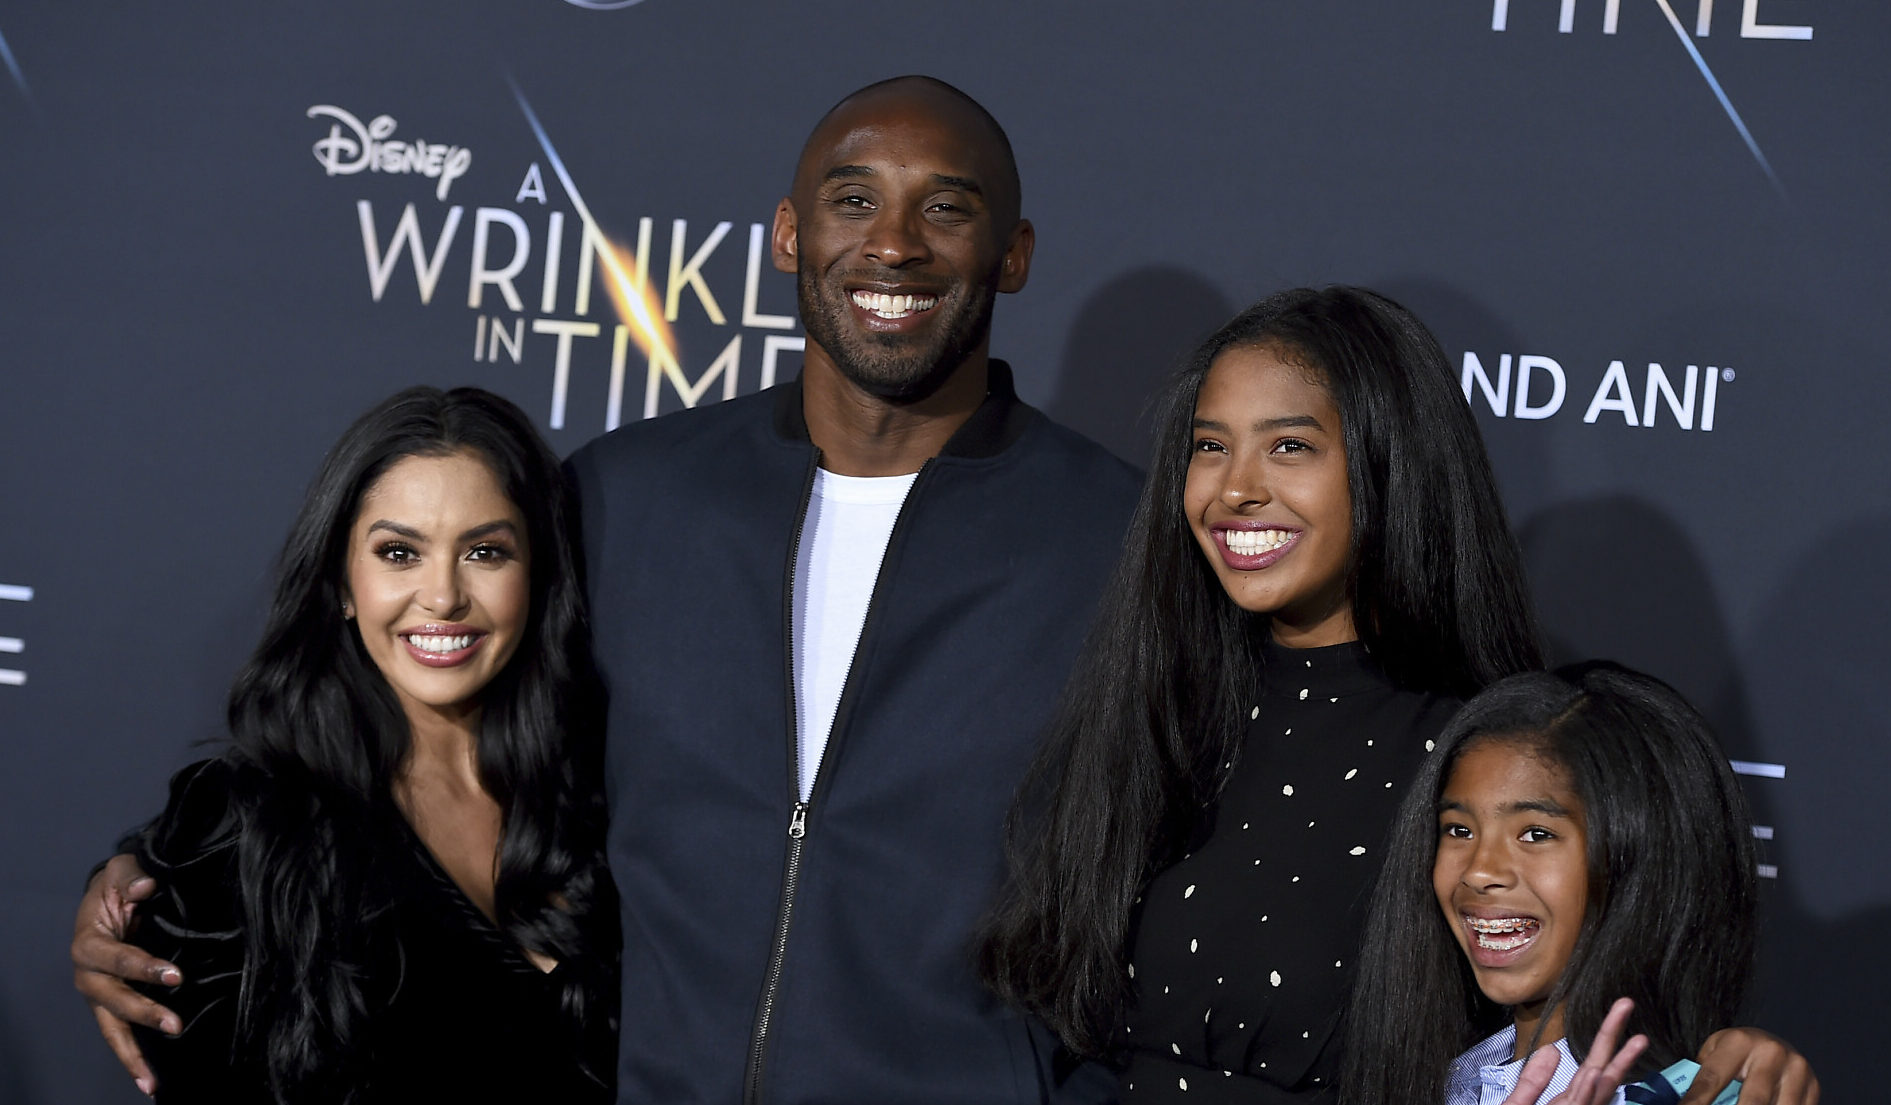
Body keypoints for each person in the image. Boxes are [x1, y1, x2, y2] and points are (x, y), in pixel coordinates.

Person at [77, 77, 1137, 1103]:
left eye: (946, 207)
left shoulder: (1120, 543)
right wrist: (158, 875)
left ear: (1013, 254)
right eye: (852, 199)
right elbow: (433, 729)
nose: (894, 241)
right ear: (784, 235)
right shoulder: (625, 493)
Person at [978, 287, 1816, 1104]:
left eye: (1290, 447)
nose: (1235, 489)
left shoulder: (1478, 754)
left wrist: (1725, 1055)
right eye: (1210, 445)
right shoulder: (1160, 706)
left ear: (1388, 463)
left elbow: (1611, 1024)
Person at [110, 386, 615, 1102]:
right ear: (343, 584)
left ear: (535, 577)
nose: (442, 596)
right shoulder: (247, 829)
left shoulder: (607, 806)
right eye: (400, 552)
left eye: (484, 551)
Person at [1342, 661, 1786, 1105]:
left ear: (1643, 860)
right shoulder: (1448, 1079)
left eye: (1536, 834)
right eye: (1459, 830)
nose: (1479, 871)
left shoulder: (1699, 1096)